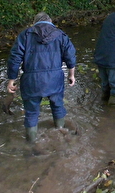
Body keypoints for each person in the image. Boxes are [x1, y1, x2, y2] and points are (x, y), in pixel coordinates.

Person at [7, 12, 76, 143]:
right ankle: (61, 132)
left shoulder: (25, 35)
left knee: (32, 112)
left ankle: (31, 143)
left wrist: (11, 80)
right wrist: (71, 75)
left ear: (34, 22)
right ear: (50, 21)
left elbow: (14, 59)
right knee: (58, 105)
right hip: (54, 78)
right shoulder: (60, 35)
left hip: (31, 80)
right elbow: (70, 56)